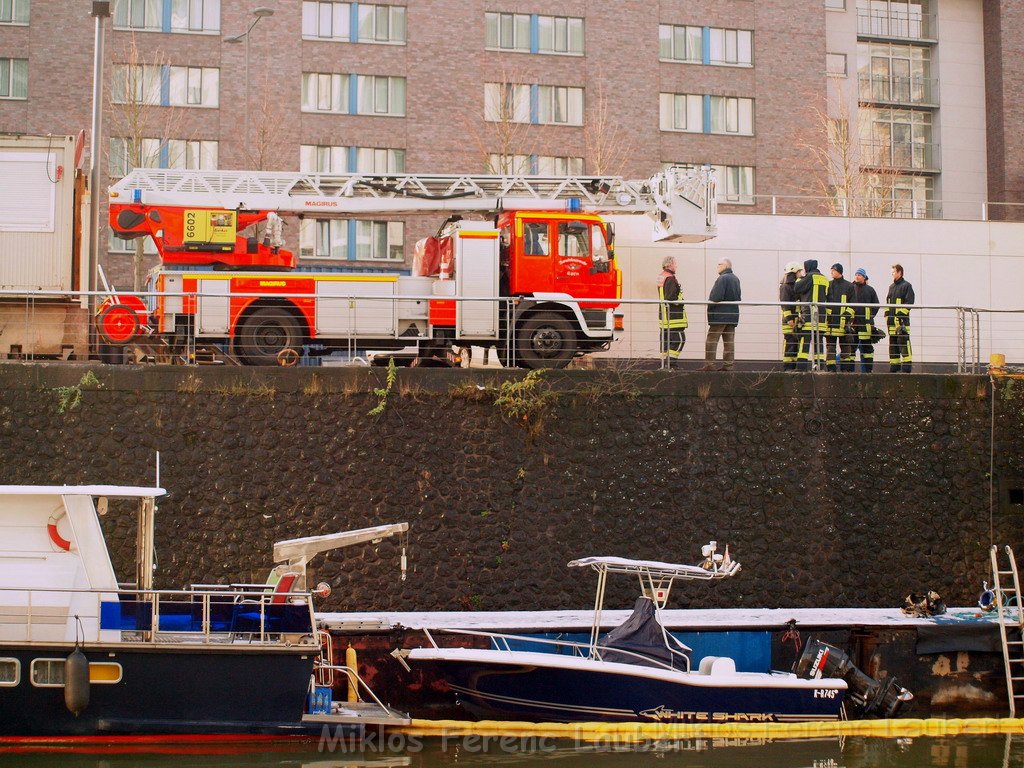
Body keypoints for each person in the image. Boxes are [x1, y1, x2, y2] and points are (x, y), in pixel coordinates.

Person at [703, 258, 741, 371]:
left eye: (719, 264)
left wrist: (711, 302)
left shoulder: (722, 279)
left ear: (726, 266)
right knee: (729, 342)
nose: (717, 266)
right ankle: (728, 365)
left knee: (711, 340)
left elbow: (716, 297)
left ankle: (710, 365)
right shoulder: (736, 279)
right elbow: (738, 297)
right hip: (732, 315)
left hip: (720, 315)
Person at [793, 259, 829, 371]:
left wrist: (799, 278)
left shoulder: (809, 277)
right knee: (819, 342)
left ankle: (801, 367)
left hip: (809, 315)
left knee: (805, 341)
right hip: (822, 317)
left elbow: (796, 288)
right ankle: (820, 367)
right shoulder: (825, 278)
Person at [656, 255, 687, 367]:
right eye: (675, 263)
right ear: (669, 264)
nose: (676, 266)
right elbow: (671, 297)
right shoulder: (670, 278)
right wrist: (681, 301)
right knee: (679, 339)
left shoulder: (662, 277)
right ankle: (672, 363)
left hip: (664, 316)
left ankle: (665, 364)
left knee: (665, 341)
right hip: (674, 317)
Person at [825, 263, 856, 372]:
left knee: (846, 347)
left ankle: (845, 369)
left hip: (843, 323)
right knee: (830, 347)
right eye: (831, 270)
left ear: (839, 271)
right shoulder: (828, 285)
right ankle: (830, 368)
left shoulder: (849, 286)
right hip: (831, 323)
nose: (831, 272)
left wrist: (847, 315)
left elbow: (853, 304)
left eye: (833, 270)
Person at [886, 263, 915, 373]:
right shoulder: (891, 287)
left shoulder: (906, 286)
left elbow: (909, 302)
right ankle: (894, 367)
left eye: (893, 272)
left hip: (901, 323)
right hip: (892, 323)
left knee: (904, 344)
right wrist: (888, 317)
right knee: (893, 345)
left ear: (900, 272)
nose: (892, 274)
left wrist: (900, 316)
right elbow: (888, 303)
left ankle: (906, 368)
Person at [850, 268, 879, 373]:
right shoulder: (851, 288)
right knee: (851, 348)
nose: (857, 276)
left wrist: (870, 317)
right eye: (856, 274)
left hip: (865, 325)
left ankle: (867, 370)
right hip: (853, 325)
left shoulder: (870, 290)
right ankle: (850, 370)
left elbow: (876, 305)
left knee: (867, 349)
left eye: (859, 275)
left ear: (864, 277)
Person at [779, 262, 802, 371]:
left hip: (795, 319)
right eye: (799, 272)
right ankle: (787, 367)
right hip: (789, 320)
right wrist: (790, 319)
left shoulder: (794, 285)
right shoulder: (785, 286)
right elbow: (785, 304)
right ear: (794, 272)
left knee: (795, 343)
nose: (800, 274)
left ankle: (792, 366)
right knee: (790, 343)